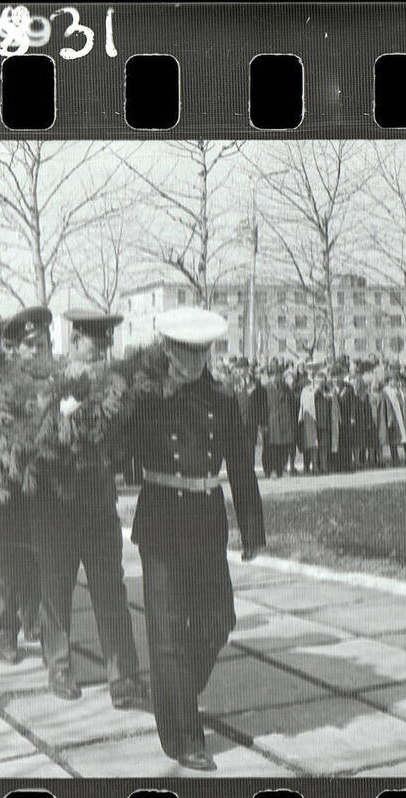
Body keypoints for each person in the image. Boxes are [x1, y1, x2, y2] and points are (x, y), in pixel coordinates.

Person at [120, 307, 265, 771]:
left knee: (218, 618)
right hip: (162, 521)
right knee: (166, 633)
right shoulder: (144, 400)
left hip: (205, 521)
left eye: (202, 353)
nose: (196, 362)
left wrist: (253, 529)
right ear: (168, 350)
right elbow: (121, 452)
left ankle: (176, 689)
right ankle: (184, 737)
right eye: (186, 353)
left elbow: (242, 468)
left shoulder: (224, 400)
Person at [29, 308, 148, 707]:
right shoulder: (50, 382)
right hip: (55, 503)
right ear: (75, 341)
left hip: (97, 503)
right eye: (94, 349)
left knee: (110, 590)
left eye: (104, 350)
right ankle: (59, 666)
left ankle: (124, 676)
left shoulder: (115, 389)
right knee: (56, 587)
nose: (99, 357)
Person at [0, 308, 46, 665]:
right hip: (4, 488)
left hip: (37, 486)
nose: (33, 351)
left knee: (35, 556)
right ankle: (7, 631)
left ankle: (32, 615)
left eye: (38, 344)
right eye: (26, 345)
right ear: (10, 347)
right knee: (6, 561)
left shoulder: (45, 380)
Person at [262, 361, 297, 479]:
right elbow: (261, 407)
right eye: (273, 375)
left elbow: (291, 403)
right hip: (270, 421)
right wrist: (263, 423)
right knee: (271, 447)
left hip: (284, 421)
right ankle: (270, 470)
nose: (276, 377)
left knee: (283, 446)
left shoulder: (285, 388)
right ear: (269, 376)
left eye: (278, 374)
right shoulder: (265, 389)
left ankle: (281, 468)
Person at [383, 370, 406, 465]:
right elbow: (387, 406)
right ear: (388, 381)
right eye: (393, 380)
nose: (395, 382)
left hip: (404, 416)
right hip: (393, 418)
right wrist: (389, 418)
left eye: (397, 380)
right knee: (394, 439)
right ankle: (395, 459)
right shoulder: (386, 391)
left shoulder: (401, 390)